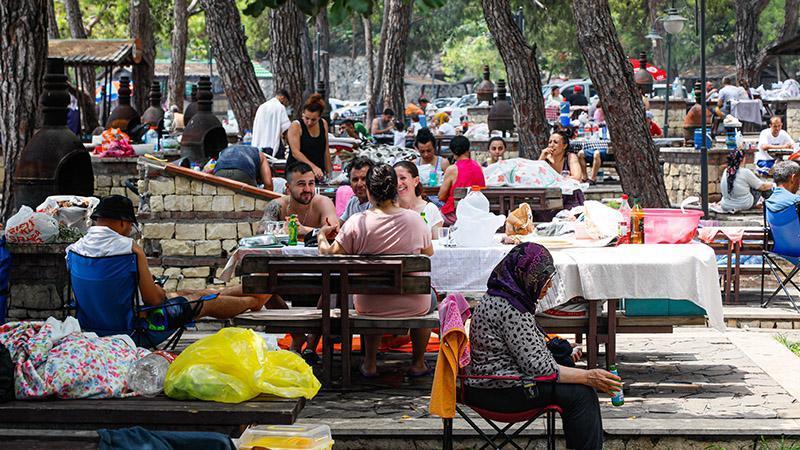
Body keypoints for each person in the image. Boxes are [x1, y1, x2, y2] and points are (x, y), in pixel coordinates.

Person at [466, 243, 619, 450]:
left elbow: (525, 348)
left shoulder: (503, 296)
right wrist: (589, 376)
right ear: (525, 277)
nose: (547, 287)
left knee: (575, 379)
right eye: (542, 281)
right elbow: (540, 368)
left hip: (497, 384)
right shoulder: (511, 309)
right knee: (582, 394)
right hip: (500, 390)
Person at [66, 195, 270, 345]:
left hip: (94, 331)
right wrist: (158, 290)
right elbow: (155, 300)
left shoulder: (73, 250)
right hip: (135, 331)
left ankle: (255, 291)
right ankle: (255, 301)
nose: (129, 231)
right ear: (122, 222)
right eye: (129, 226)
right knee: (205, 302)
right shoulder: (129, 250)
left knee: (189, 293)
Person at [318, 164, 434, 378]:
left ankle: (370, 362)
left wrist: (321, 235)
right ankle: (418, 362)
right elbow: (428, 252)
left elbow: (329, 254)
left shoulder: (356, 222)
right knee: (431, 294)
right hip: (413, 304)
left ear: (369, 191)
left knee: (374, 292)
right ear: (395, 189)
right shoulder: (415, 220)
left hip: (369, 304)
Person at [262, 162, 338, 237]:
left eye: (311, 183)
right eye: (301, 184)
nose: (307, 189)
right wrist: (281, 228)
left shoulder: (324, 203)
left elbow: (334, 233)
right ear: (288, 187)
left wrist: (305, 230)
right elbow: (261, 231)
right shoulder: (277, 205)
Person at [439, 135, 486, 226]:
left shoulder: (452, 169)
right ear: (468, 149)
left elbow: (441, 196)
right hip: (476, 213)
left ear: (453, 151)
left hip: (455, 215)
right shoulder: (478, 167)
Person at [287, 94, 332, 181]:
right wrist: (313, 167)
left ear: (319, 117)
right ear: (303, 114)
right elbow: (295, 152)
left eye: (313, 120)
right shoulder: (296, 126)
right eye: (306, 118)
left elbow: (326, 150)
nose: (309, 122)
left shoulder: (323, 124)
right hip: (298, 173)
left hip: (318, 173)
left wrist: (330, 173)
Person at [394, 161, 444, 239]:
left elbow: (437, 242)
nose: (398, 183)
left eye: (403, 178)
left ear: (416, 181)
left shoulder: (430, 209)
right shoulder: (388, 209)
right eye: (394, 179)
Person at [713, 149, 772, 213]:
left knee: (750, 184)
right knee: (763, 187)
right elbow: (762, 187)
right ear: (743, 159)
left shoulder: (726, 171)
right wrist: (773, 184)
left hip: (725, 205)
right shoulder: (745, 172)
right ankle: (772, 207)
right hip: (744, 204)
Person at [540, 130, 585, 212]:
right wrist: (542, 157)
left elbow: (577, 177)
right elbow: (536, 177)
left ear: (564, 146)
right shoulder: (545, 159)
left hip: (569, 197)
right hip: (549, 198)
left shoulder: (570, 157)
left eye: (555, 142)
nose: (551, 145)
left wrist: (556, 179)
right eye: (550, 142)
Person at [251, 89, 291, 156]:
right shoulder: (280, 107)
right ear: (282, 98)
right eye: (286, 102)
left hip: (259, 145)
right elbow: (286, 128)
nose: (285, 105)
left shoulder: (262, 107)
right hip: (272, 145)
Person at [339, 156, 374, 223]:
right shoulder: (352, 202)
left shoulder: (376, 205)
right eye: (355, 180)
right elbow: (341, 222)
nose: (359, 184)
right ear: (350, 183)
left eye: (364, 179)